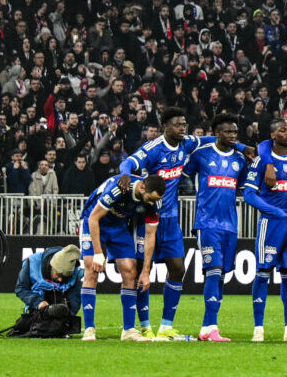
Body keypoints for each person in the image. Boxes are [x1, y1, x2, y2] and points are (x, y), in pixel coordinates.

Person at [119, 107, 209, 339]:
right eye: (178, 125)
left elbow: (210, 139)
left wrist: (239, 146)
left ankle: (166, 325)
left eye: (184, 125)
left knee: (178, 268)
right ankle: (145, 326)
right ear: (165, 127)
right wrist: (125, 174)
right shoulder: (153, 148)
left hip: (171, 221)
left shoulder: (186, 143)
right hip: (146, 219)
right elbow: (128, 162)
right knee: (140, 270)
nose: (183, 129)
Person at [243, 118, 287, 343]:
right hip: (270, 224)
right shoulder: (262, 160)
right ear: (273, 135)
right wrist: (275, 212)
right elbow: (249, 195)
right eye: (283, 130)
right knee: (263, 274)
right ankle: (258, 328)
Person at [182, 112, 248, 341]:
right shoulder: (201, 155)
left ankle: (206, 328)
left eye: (235, 132)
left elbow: (238, 186)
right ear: (216, 133)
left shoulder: (240, 159)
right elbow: (184, 175)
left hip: (230, 224)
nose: (232, 135)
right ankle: (211, 326)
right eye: (228, 131)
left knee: (221, 277)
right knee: (214, 271)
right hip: (207, 223)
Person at [79, 169, 167, 341]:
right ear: (142, 188)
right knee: (91, 270)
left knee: (130, 271)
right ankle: (89, 329)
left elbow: (150, 235)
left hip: (118, 226)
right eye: (151, 199)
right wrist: (98, 253)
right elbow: (93, 218)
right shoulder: (119, 188)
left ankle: (128, 330)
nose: (151, 204)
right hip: (93, 222)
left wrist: (146, 271)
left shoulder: (155, 203)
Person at [12, 244, 79, 338]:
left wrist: (67, 319)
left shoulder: (74, 270)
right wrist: (38, 302)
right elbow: (21, 288)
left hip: (62, 311)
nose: (60, 280)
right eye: (59, 274)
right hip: (38, 309)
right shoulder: (32, 262)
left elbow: (74, 299)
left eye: (64, 277)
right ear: (52, 266)